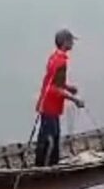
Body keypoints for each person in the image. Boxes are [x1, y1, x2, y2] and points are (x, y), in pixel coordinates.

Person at [35, 28, 85, 167]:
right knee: (50, 139)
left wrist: (69, 88)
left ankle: (47, 166)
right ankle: (45, 168)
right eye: (71, 41)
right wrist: (75, 100)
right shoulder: (61, 62)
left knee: (50, 136)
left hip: (47, 104)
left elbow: (53, 82)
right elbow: (55, 88)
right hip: (50, 105)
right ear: (65, 43)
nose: (73, 44)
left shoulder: (54, 57)